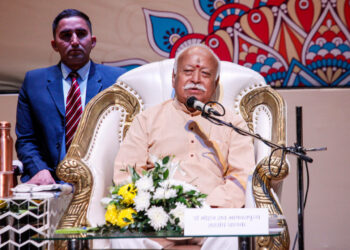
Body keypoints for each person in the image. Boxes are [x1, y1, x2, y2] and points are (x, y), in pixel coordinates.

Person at [113, 44, 255, 249]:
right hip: (158, 217)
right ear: (174, 77)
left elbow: (242, 175)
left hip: (213, 218)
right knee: (121, 235)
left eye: (205, 74)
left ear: (215, 84)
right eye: (188, 71)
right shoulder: (147, 119)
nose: (196, 79)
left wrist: (207, 208)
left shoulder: (231, 123)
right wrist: (155, 206)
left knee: (234, 238)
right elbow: (126, 171)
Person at [16, 9, 126, 185]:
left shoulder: (117, 80)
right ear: (54, 44)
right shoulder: (33, 82)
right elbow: (26, 140)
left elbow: (129, 135)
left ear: (93, 41)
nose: (74, 41)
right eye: (66, 35)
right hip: (50, 182)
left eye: (81, 34)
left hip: (103, 181)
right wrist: (40, 170)